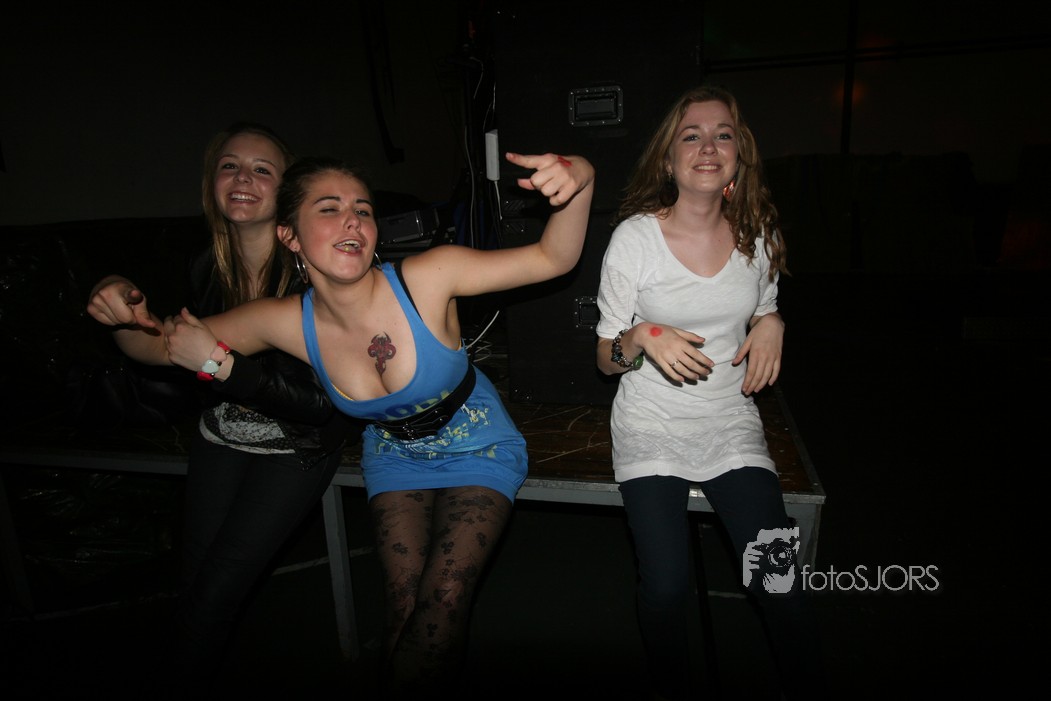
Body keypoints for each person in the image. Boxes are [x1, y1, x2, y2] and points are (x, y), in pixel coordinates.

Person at [90, 150, 595, 698]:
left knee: (445, 596)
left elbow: (553, 257)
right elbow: (156, 347)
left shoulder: (429, 275)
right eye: (329, 209)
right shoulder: (285, 320)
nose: (352, 220)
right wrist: (117, 307)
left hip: (478, 444)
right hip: (396, 456)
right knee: (404, 604)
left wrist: (580, 181)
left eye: (363, 210)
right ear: (289, 235)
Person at [86, 122, 356, 693]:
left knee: (214, 595)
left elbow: (324, 406)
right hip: (220, 434)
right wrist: (117, 304)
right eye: (230, 165)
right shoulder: (203, 263)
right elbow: (159, 346)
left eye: (262, 169)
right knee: (195, 585)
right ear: (212, 181)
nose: (243, 178)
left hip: (297, 446)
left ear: (287, 192)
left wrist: (219, 365)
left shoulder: (316, 267)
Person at [594, 85, 825, 700]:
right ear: (668, 159)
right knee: (667, 585)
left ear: (738, 155)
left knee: (778, 581)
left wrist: (772, 320)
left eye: (723, 134)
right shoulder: (635, 239)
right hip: (651, 422)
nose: (708, 146)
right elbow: (606, 359)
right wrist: (643, 334)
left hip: (728, 418)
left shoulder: (758, 235)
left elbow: (764, 304)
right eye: (691, 135)